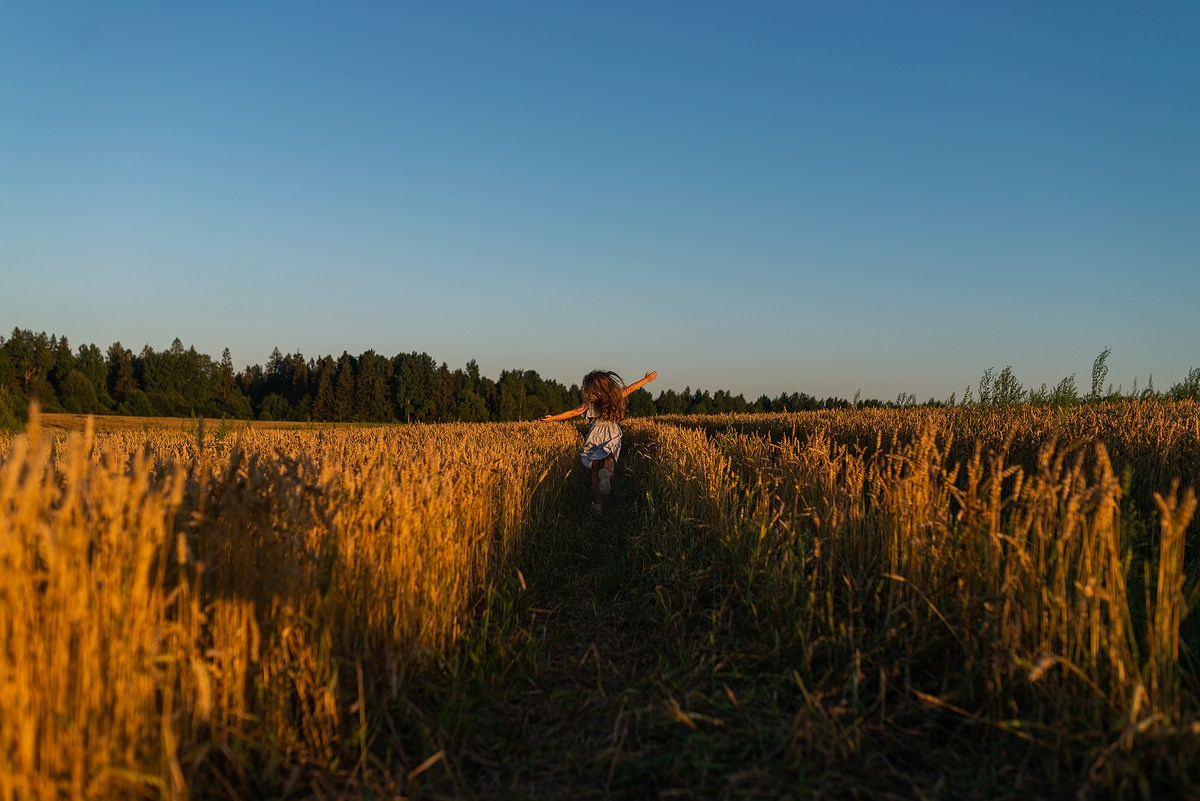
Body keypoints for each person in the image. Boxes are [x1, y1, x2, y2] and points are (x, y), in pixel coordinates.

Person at [542, 369, 657, 513]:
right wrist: (646, 379)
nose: (589, 393)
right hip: (612, 434)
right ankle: (607, 477)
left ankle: (597, 505)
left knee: (594, 471)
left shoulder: (589, 405)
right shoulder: (614, 397)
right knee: (609, 459)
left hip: (595, 435)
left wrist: (553, 418)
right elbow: (630, 389)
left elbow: (572, 412)